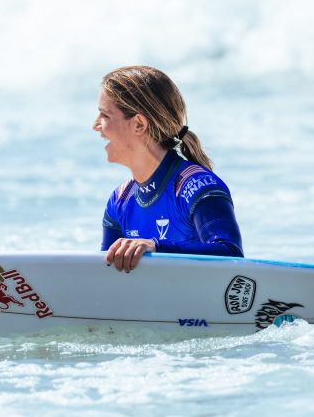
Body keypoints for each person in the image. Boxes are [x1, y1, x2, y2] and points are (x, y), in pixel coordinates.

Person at [94, 66, 243, 272]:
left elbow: (231, 254)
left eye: (104, 116)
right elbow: (103, 275)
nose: (96, 125)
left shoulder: (196, 187)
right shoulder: (120, 201)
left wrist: (155, 247)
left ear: (138, 124)